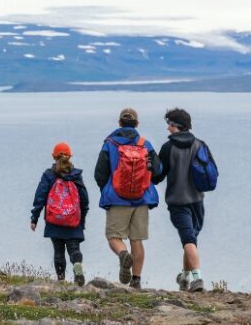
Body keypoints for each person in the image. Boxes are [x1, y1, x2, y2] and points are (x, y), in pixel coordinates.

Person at [94, 108, 161, 289]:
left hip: (117, 199)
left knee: (114, 236)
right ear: (137, 124)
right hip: (141, 199)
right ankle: (136, 280)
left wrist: (107, 191)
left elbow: (99, 174)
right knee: (136, 239)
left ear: (119, 123)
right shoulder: (145, 144)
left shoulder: (109, 143)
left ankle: (123, 254)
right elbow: (158, 171)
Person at [152, 108, 216, 292]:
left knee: (188, 240)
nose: (167, 129)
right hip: (198, 201)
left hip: (177, 202)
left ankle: (197, 279)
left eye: (169, 125)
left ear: (176, 126)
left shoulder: (167, 148)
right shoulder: (200, 145)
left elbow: (157, 178)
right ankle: (184, 278)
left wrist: (151, 164)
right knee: (190, 240)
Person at [31, 142, 89, 286]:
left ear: (53, 156)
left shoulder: (49, 175)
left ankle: (61, 279)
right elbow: (84, 199)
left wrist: (34, 218)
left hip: (54, 220)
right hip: (73, 220)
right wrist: (82, 219)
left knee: (58, 250)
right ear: (70, 156)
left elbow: (40, 196)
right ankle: (77, 265)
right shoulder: (76, 175)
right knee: (74, 248)